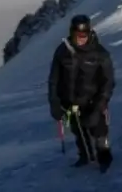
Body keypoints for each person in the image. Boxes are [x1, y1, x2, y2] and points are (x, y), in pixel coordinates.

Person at [48, 14, 115, 171]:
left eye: (84, 35)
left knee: (98, 129)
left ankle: (104, 157)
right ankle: (85, 156)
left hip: (93, 101)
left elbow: (108, 82)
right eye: (78, 35)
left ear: (89, 33)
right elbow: (54, 80)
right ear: (72, 32)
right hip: (70, 102)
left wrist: (99, 106)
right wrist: (55, 103)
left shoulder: (100, 54)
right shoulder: (62, 51)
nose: (81, 38)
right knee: (78, 131)